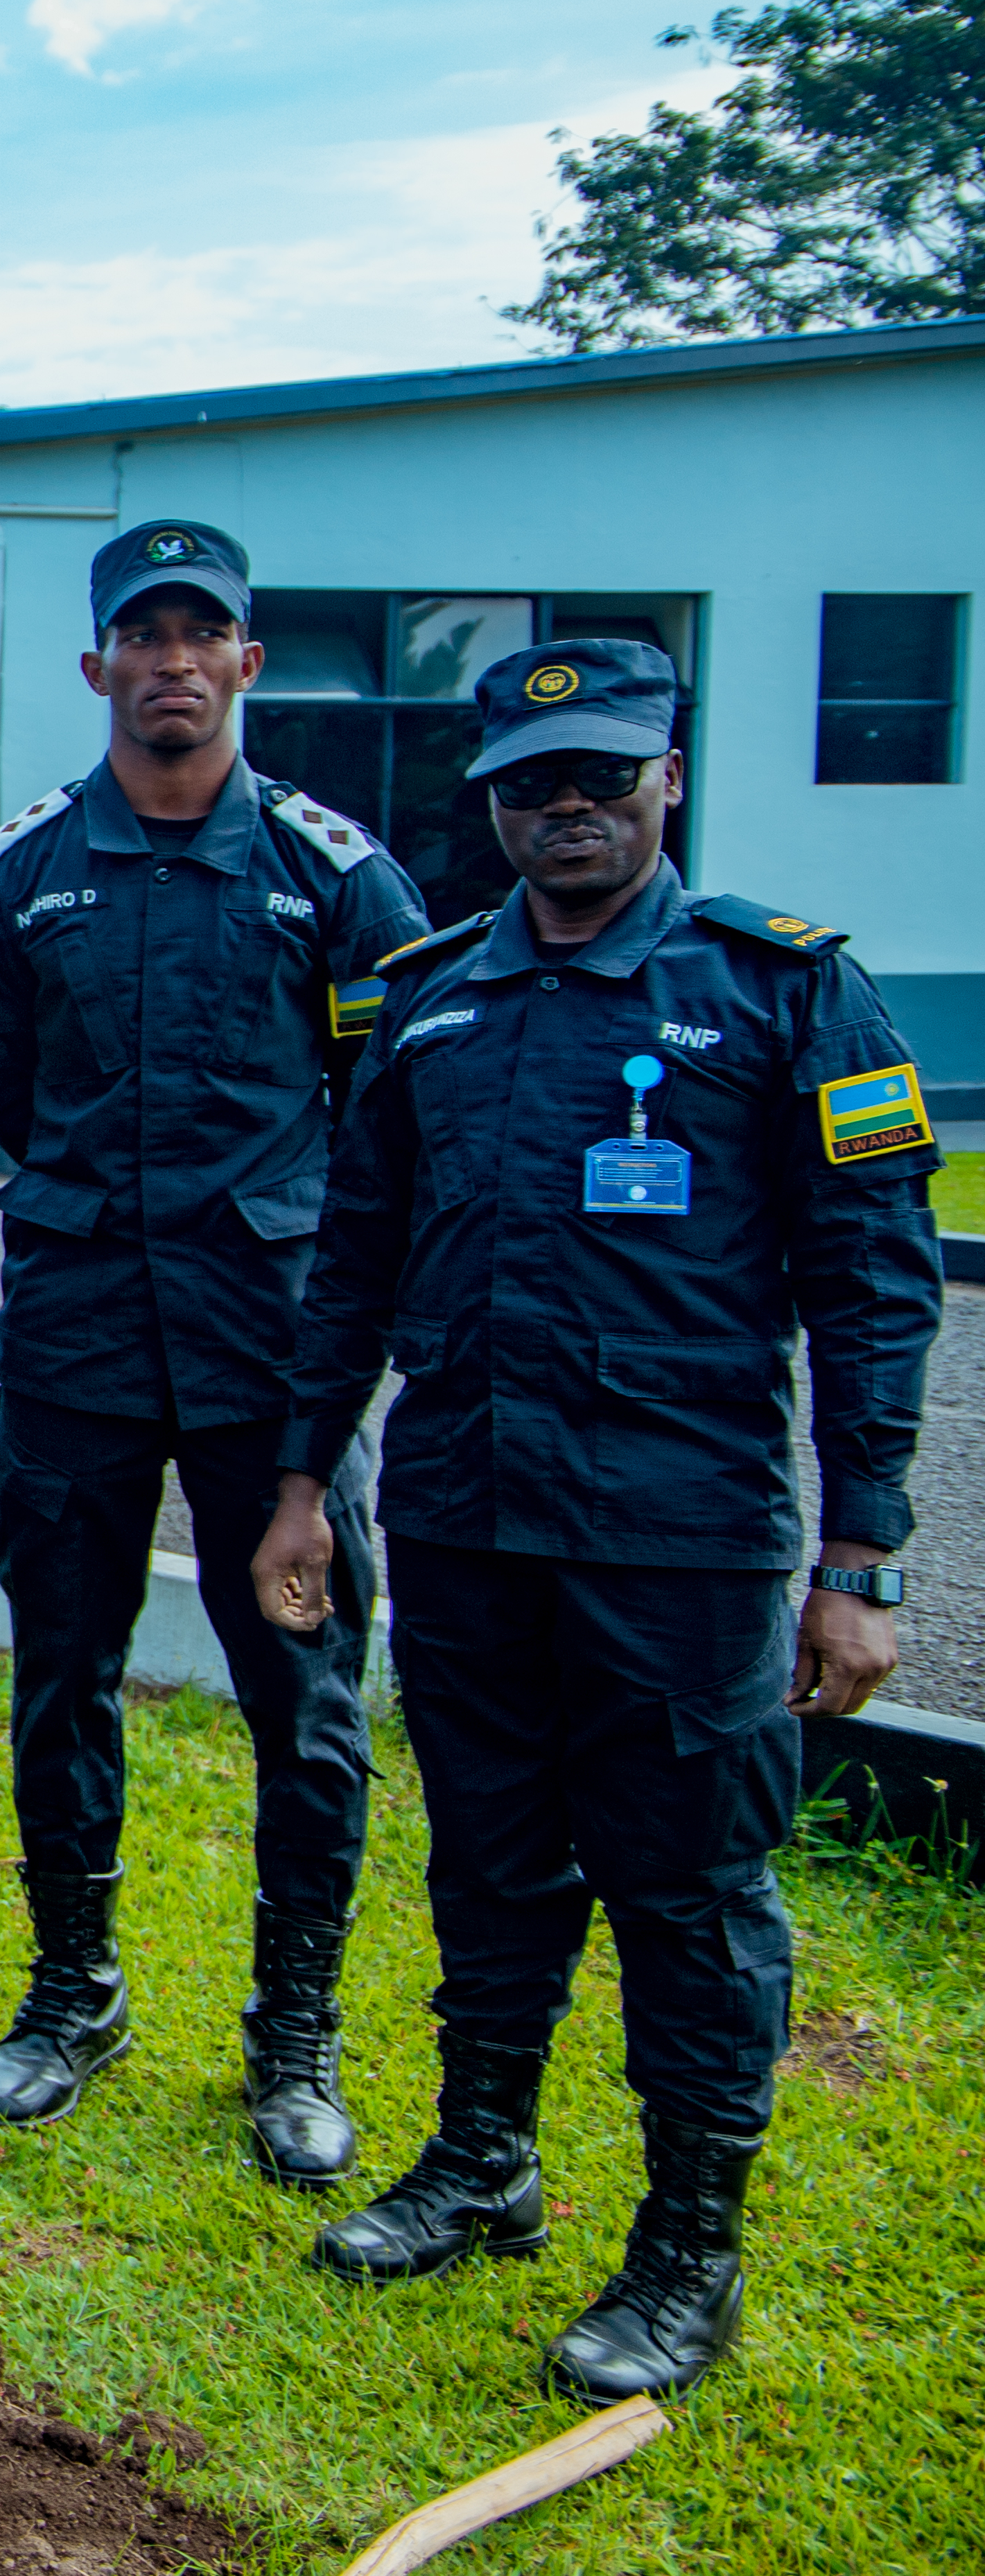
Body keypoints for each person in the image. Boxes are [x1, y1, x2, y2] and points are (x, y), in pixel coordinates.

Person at [256, 637, 939, 2401]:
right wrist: (294, 1485)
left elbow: (874, 1281)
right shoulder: (425, 993)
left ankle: (686, 2249)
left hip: (679, 1538)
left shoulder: (781, 988)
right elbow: (351, 1260)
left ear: (668, 779)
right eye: (533, 781)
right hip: (471, 1520)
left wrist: (855, 1558)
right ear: (487, 796)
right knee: (487, 1859)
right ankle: (481, 2160)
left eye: (603, 776)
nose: (568, 807)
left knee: (687, 1891)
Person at [0, 519, 424, 2179]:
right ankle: (71, 1990)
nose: (166, 661)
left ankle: (293, 2036)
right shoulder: (17, 878)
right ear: (95, 668)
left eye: (195, 633)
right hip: (74, 1336)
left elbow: (388, 1123)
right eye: (136, 635)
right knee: (58, 1672)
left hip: (268, 1358)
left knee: (302, 1690)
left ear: (243, 663)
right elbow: (5, 1083)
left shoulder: (333, 879)